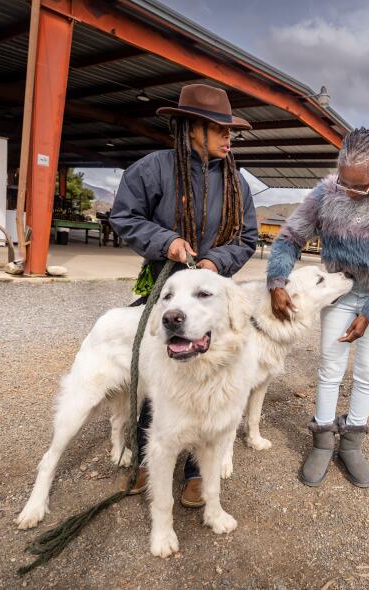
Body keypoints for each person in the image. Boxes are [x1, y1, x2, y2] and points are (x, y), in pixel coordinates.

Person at [109, 84, 258, 505]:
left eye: (231, 131)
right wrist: (166, 241)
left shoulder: (236, 182)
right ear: (192, 127)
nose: (230, 138)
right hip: (165, 291)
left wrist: (216, 262)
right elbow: (124, 215)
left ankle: (195, 470)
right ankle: (145, 458)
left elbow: (246, 238)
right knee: (159, 376)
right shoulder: (153, 168)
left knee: (207, 380)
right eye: (219, 129)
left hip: (208, 296)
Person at [267, 128, 369, 488]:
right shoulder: (326, 193)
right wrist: (277, 282)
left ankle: (352, 442)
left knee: (368, 370)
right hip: (337, 293)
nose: (349, 192)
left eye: (359, 186)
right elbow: (290, 237)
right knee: (330, 366)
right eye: (344, 182)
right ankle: (322, 440)